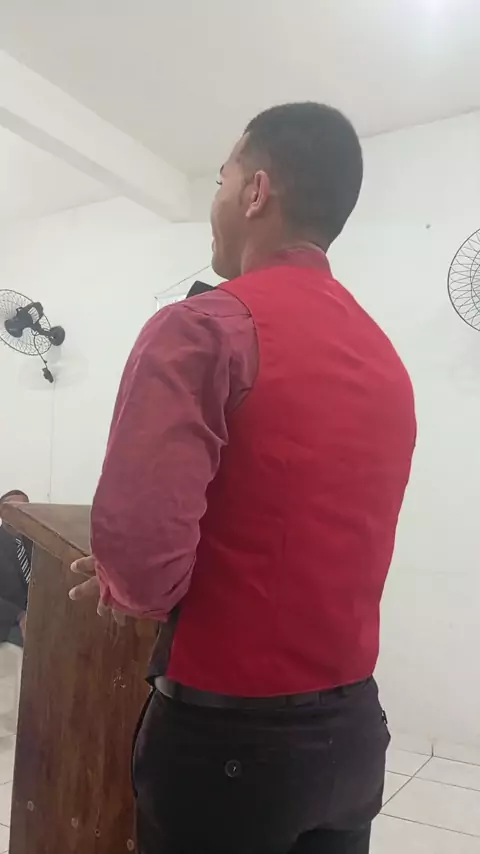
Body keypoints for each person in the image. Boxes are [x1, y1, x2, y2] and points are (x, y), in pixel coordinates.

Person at [70, 102, 416, 854]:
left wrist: (124, 579)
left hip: (229, 744)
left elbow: (143, 564)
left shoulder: (201, 327)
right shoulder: (385, 358)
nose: (217, 199)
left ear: (256, 192)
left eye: (222, 178)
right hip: (354, 735)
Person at [0, 489, 31, 646]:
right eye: (14, 508)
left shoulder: (36, 543)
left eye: (24, 508)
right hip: (7, 622)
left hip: (39, 615)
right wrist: (19, 615)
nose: (20, 513)